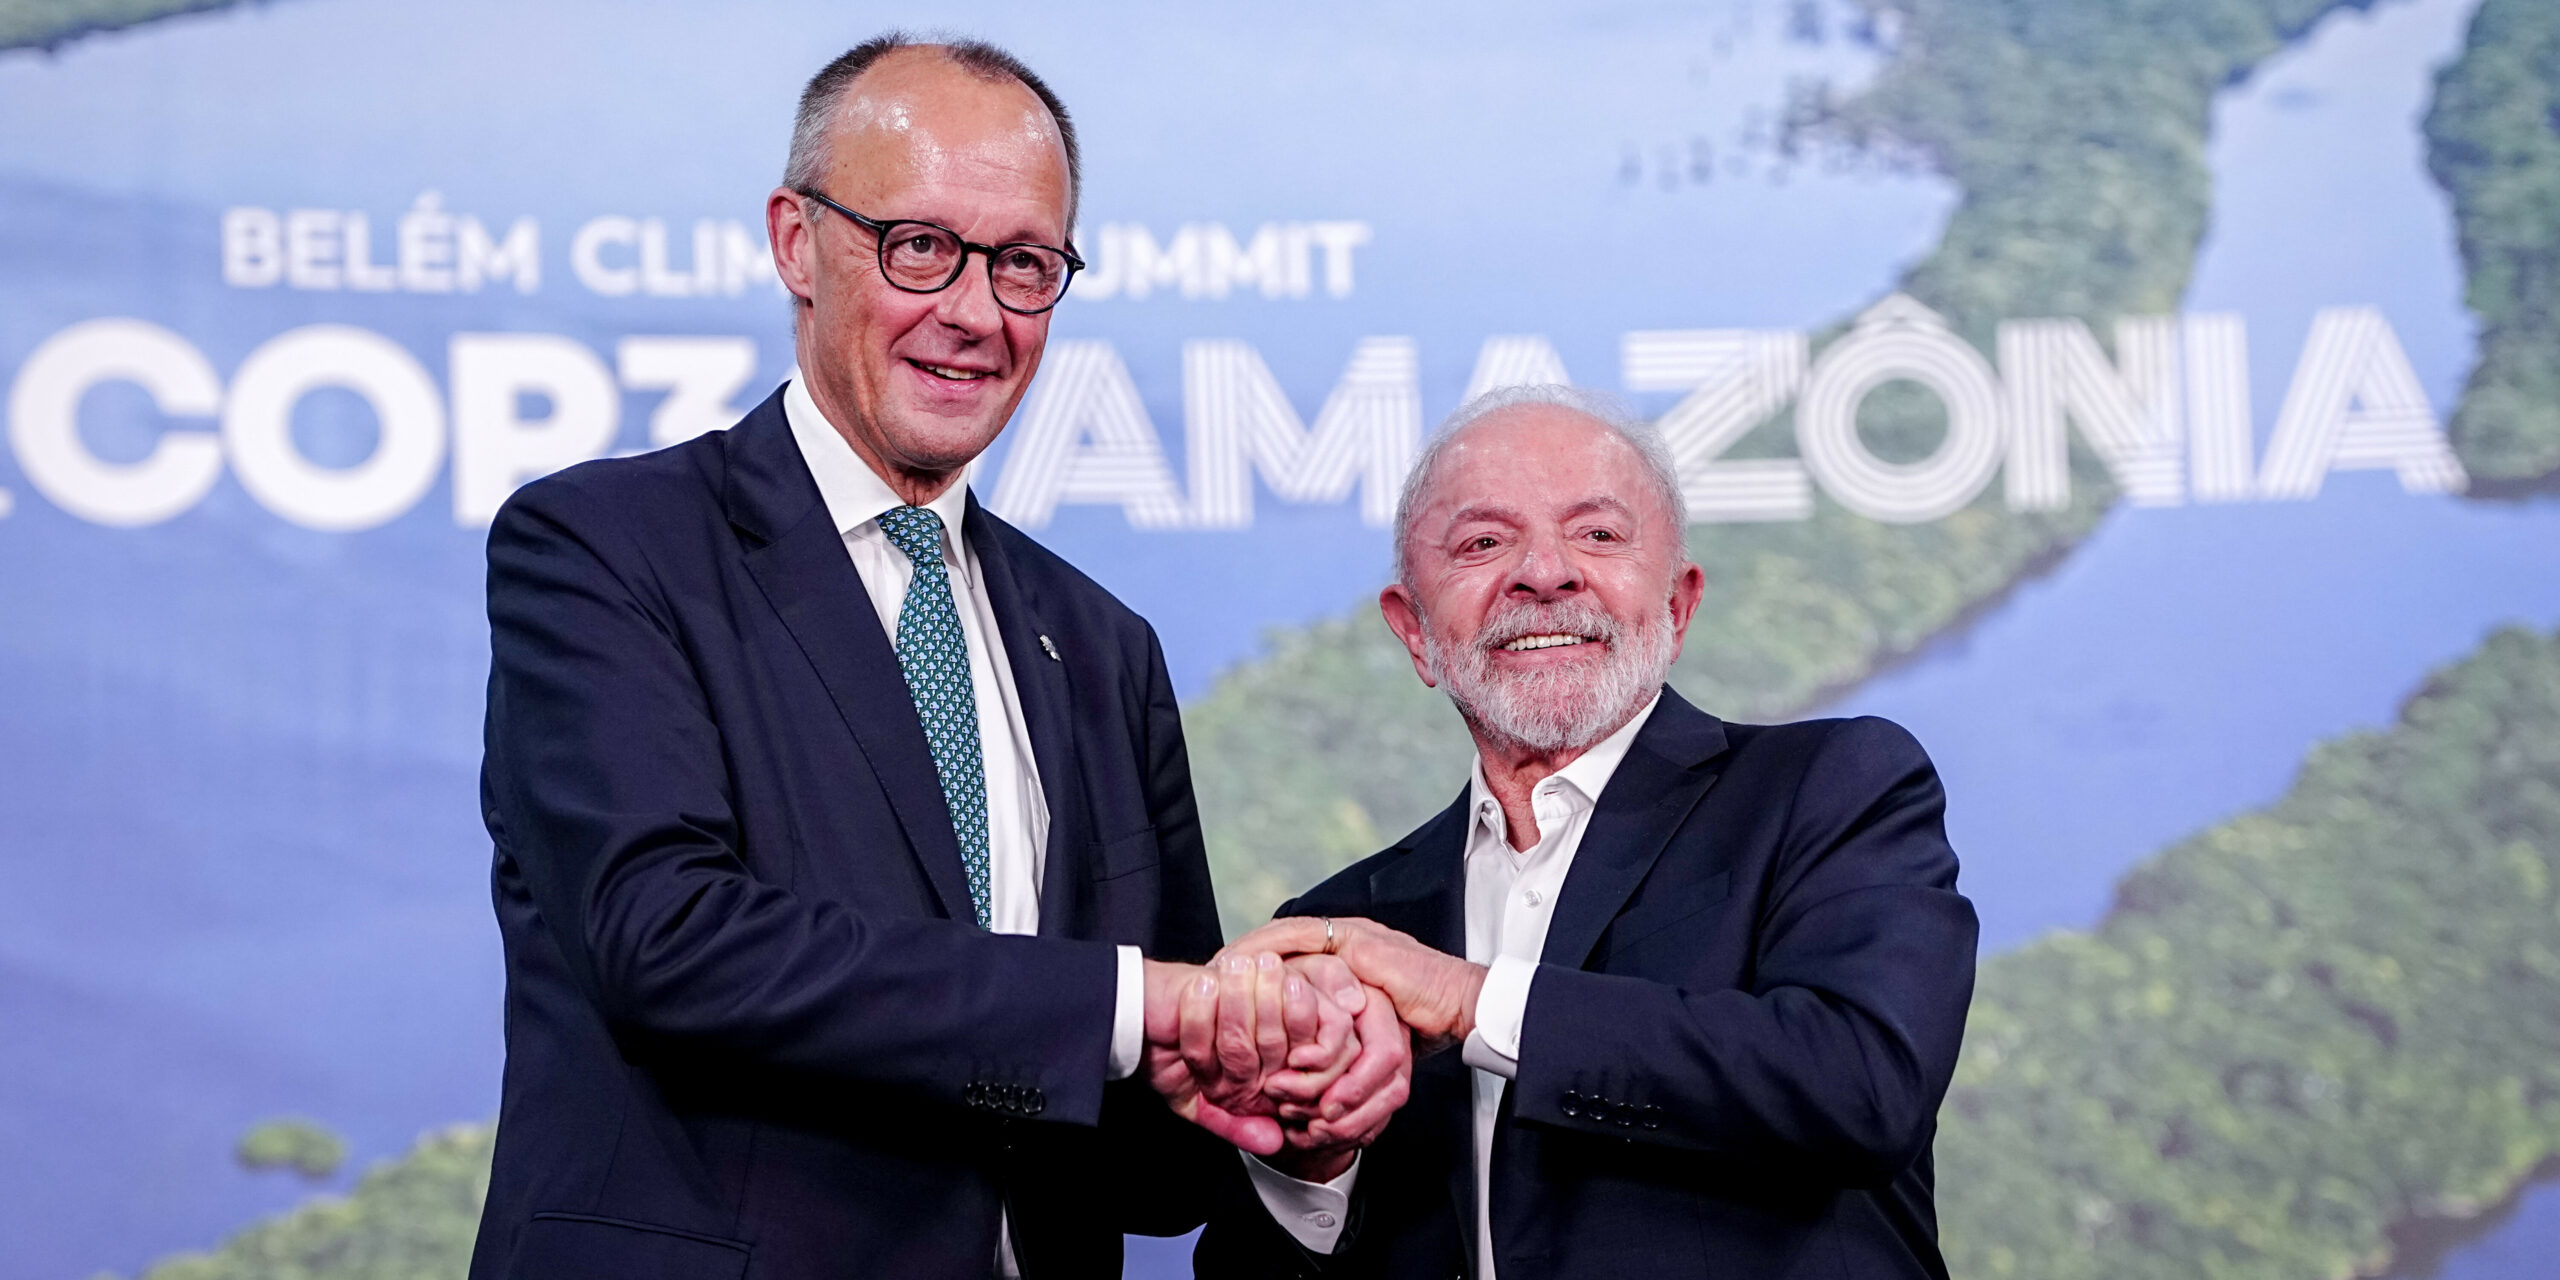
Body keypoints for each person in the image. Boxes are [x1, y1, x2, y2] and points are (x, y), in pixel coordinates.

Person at [468, 34, 1400, 1280]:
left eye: (1024, 264)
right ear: (797, 242)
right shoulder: (605, 547)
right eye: (921, 248)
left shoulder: (1102, 647)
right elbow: (665, 939)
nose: (974, 312)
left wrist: (1280, 1109)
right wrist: (1140, 1003)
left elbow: (1140, 1152)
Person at [1189, 385, 1981, 1279]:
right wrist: (1307, 1166)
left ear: (1678, 606)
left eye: (1598, 535)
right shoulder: (1348, 923)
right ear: (1415, 635)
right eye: (1484, 543)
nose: (1545, 573)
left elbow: (1862, 1087)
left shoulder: (1829, 790)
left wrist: (1469, 1000)